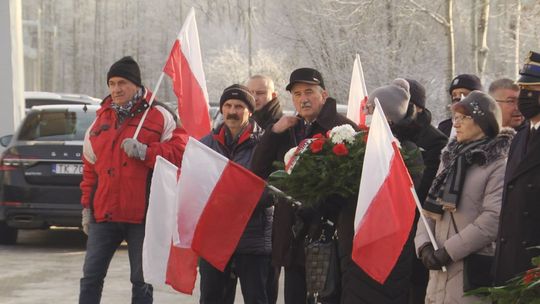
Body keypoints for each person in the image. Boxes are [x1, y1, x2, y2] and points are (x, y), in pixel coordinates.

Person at [79, 56, 187, 304]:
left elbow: (181, 152)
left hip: (144, 216)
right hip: (103, 215)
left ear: (136, 85)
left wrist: (146, 152)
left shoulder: (160, 115)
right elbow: (89, 168)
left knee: (142, 281)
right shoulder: (100, 119)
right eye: (112, 83)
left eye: (122, 83)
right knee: (91, 278)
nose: (116, 89)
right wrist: (87, 206)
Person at [251, 68, 358, 304]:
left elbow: (354, 184)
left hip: (328, 238)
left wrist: (322, 203)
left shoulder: (344, 129)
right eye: (297, 94)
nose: (303, 99)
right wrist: (273, 132)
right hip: (293, 237)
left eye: (309, 91)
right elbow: (257, 171)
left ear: (324, 94)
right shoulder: (287, 129)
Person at [415, 91, 514, 303]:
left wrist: (448, 252)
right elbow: (429, 210)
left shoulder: (498, 164)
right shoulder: (449, 159)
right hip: (438, 275)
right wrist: (423, 246)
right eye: (455, 118)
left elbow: (492, 219)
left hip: (470, 272)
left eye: (463, 118)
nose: (456, 124)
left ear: (482, 122)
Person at [341, 79, 424, 303]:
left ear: (386, 116)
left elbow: (400, 199)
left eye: (369, 108)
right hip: (357, 244)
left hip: (387, 248)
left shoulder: (406, 151)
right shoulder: (359, 147)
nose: (364, 112)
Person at [199, 84, 272, 304]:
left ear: (250, 110)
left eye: (239, 106)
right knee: (212, 298)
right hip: (214, 239)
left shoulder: (265, 144)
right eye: (228, 105)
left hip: (252, 237)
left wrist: (240, 202)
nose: (232, 111)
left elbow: (275, 187)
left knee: (257, 299)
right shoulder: (205, 145)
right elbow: (196, 185)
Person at [493, 51, 540, 286]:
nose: (525, 98)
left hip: (533, 267)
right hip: (510, 264)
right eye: (523, 91)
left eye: (532, 92)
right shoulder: (520, 136)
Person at [403, 79, 448, 304]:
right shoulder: (390, 134)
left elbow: (427, 188)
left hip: (418, 226)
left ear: (417, 106)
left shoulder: (435, 140)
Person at [246, 75, 283, 304]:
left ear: (273, 95)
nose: (255, 97)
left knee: (265, 290)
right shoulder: (242, 121)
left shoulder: (281, 126)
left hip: (270, 218)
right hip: (245, 219)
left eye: (260, 92)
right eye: (251, 92)